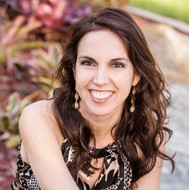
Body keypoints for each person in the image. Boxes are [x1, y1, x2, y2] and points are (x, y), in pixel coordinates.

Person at [11, 7, 174, 190]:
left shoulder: (148, 136)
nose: (100, 80)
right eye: (88, 63)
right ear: (74, 70)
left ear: (136, 75)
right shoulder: (40, 119)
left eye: (117, 65)